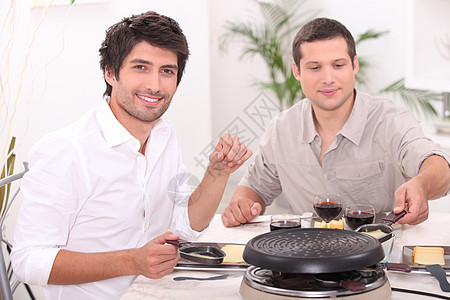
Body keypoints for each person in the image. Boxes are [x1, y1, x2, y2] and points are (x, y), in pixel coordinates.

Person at [11, 11, 252, 299]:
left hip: (157, 291)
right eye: (141, 67)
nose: (155, 85)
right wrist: (130, 261)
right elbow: (28, 261)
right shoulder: (65, 151)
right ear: (111, 73)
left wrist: (217, 174)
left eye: (167, 71)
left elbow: (184, 226)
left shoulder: (163, 134)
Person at [221, 17, 450, 227]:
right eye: (315, 67)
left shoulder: (391, 120)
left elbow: (438, 166)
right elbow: (253, 189)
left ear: (355, 65)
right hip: (306, 256)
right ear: (297, 71)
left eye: (338, 65)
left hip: (379, 257)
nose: (328, 79)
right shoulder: (282, 128)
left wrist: (422, 184)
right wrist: (242, 206)